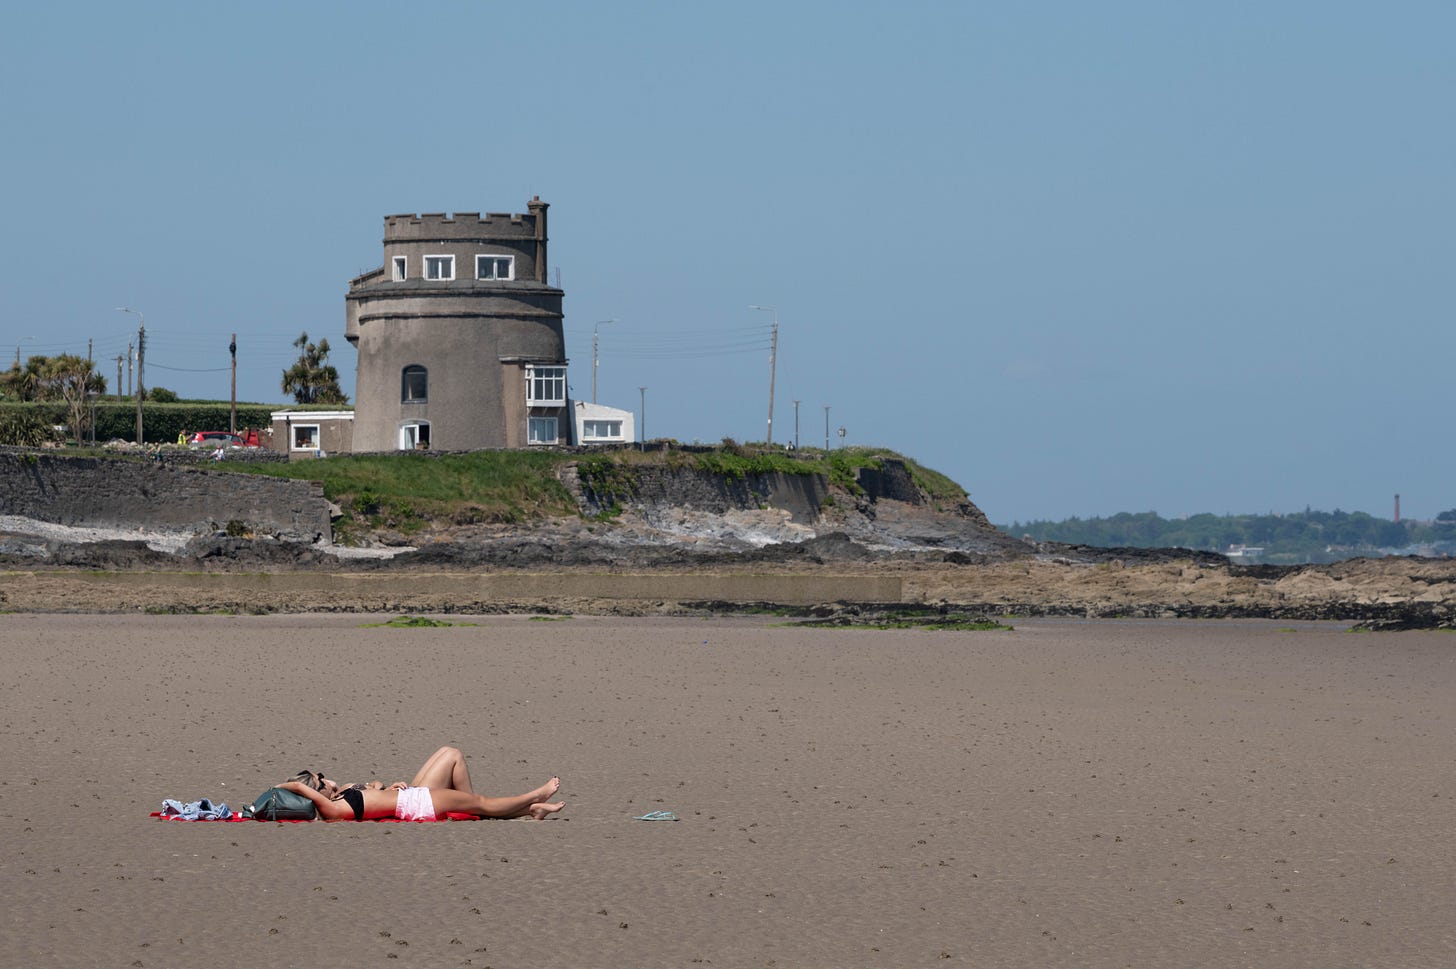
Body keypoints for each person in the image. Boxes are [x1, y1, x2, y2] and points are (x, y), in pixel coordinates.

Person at [278, 746, 564, 822]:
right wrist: (285, 787)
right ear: (315, 792)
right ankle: (534, 796)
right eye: (320, 779)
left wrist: (382, 787)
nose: (326, 778)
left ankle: (531, 811)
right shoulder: (330, 810)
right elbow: (301, 789)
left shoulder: (339, 799)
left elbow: (373, 798)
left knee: (450, 753)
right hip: (419, 804)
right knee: (482, 803)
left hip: (410, 797)